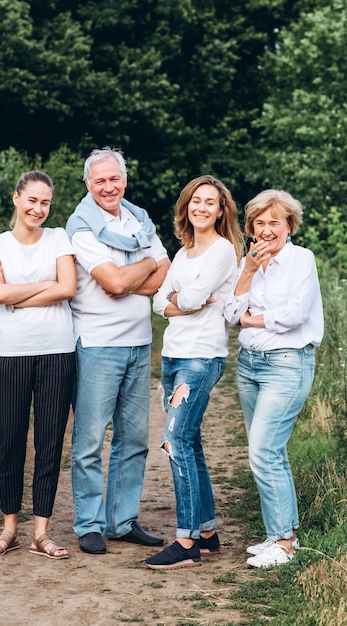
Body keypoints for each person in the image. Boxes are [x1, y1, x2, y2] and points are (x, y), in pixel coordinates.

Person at [66, 147, 170, 555]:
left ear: (124, 179)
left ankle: (122, 521)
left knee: (134, 440)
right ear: (88, 184)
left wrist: (132, 276)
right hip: (96, 344)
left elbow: (165, 271)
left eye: (115, 179)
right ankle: (89, 524)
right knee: (90, 439)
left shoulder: (138, 219)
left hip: (140, 343)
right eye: (100, 181)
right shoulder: (81, 227)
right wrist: (141, 266)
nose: (108, 187)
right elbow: (112, 282)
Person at [144, 175, 244, 570]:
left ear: (221, 211)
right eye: (195, 201)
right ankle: (207, 532)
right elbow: (158, 303)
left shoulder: (222, 251)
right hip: (173, 355)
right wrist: (184, 302)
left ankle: (185, 542)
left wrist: (182, 301)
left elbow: (187, 297)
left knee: (174, 441)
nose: (201, 207)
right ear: (186, 207)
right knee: (191, 443)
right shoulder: (183, 253)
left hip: (201, 357)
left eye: (210, 202)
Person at [0, 170, 76, 560]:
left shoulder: (58, 237)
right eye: (32, 200)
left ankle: (41, 533)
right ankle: (9, 529)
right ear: (17, 198)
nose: (39, 208)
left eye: (46, 202)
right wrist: (43, 284)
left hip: (57, 352)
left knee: (50, 443)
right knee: (11, 442)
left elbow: (68, 287)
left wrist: (18, 297)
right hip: (11, 354)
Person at [224, 189, 324, 568]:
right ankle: (277, 534)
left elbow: (295, 314)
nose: (266, 230)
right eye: (259, 223)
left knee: (263, 452)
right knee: (269, 452)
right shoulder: (246, 261)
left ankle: (284, 543)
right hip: (249, 364)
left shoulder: (302, 259)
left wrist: (253, 316)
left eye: (274, 223)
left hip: (287, 364)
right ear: (250, 227)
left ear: (289, 226)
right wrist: (248, 272)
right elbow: (231, 313)